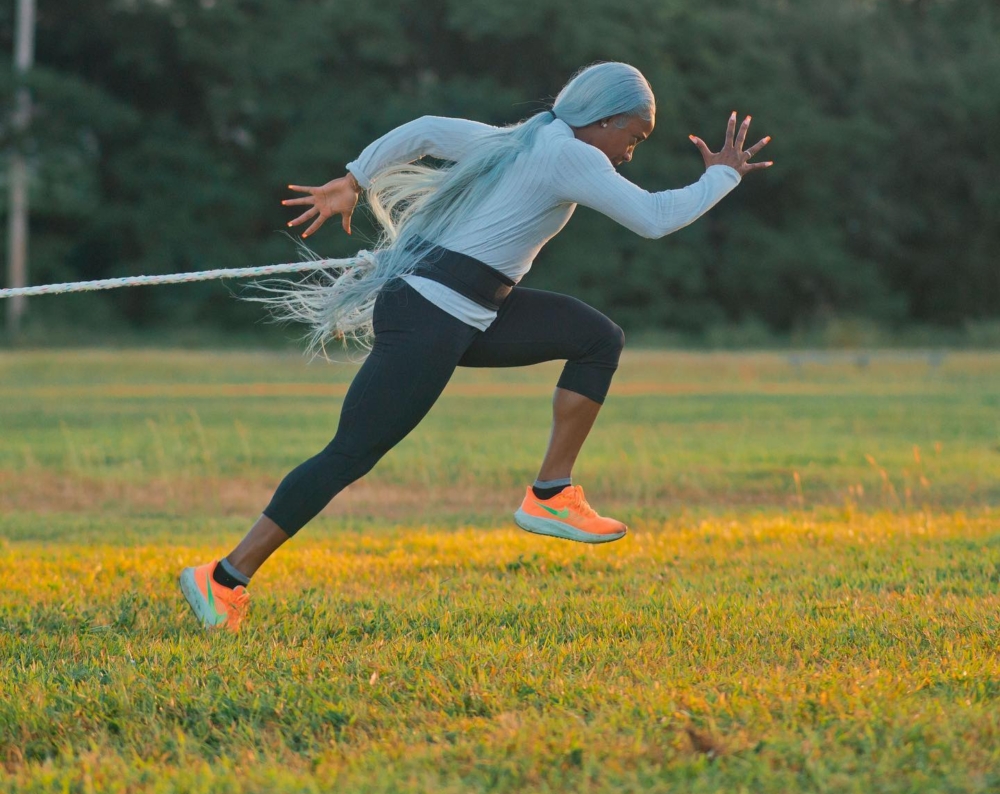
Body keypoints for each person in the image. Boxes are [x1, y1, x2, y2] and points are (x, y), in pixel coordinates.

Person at [179, 62, 773, 632]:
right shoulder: (567, 153)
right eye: (634, 137)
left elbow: (423, 130)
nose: (629, 153)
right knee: (349, 455)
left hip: (474, 310)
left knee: (597, 338)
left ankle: (551, 493)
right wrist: (723, 175)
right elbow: (655, 217)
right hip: (431, 314)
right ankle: (223, 578)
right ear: (605, 119)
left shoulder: (519, 140)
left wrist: (356, 178)